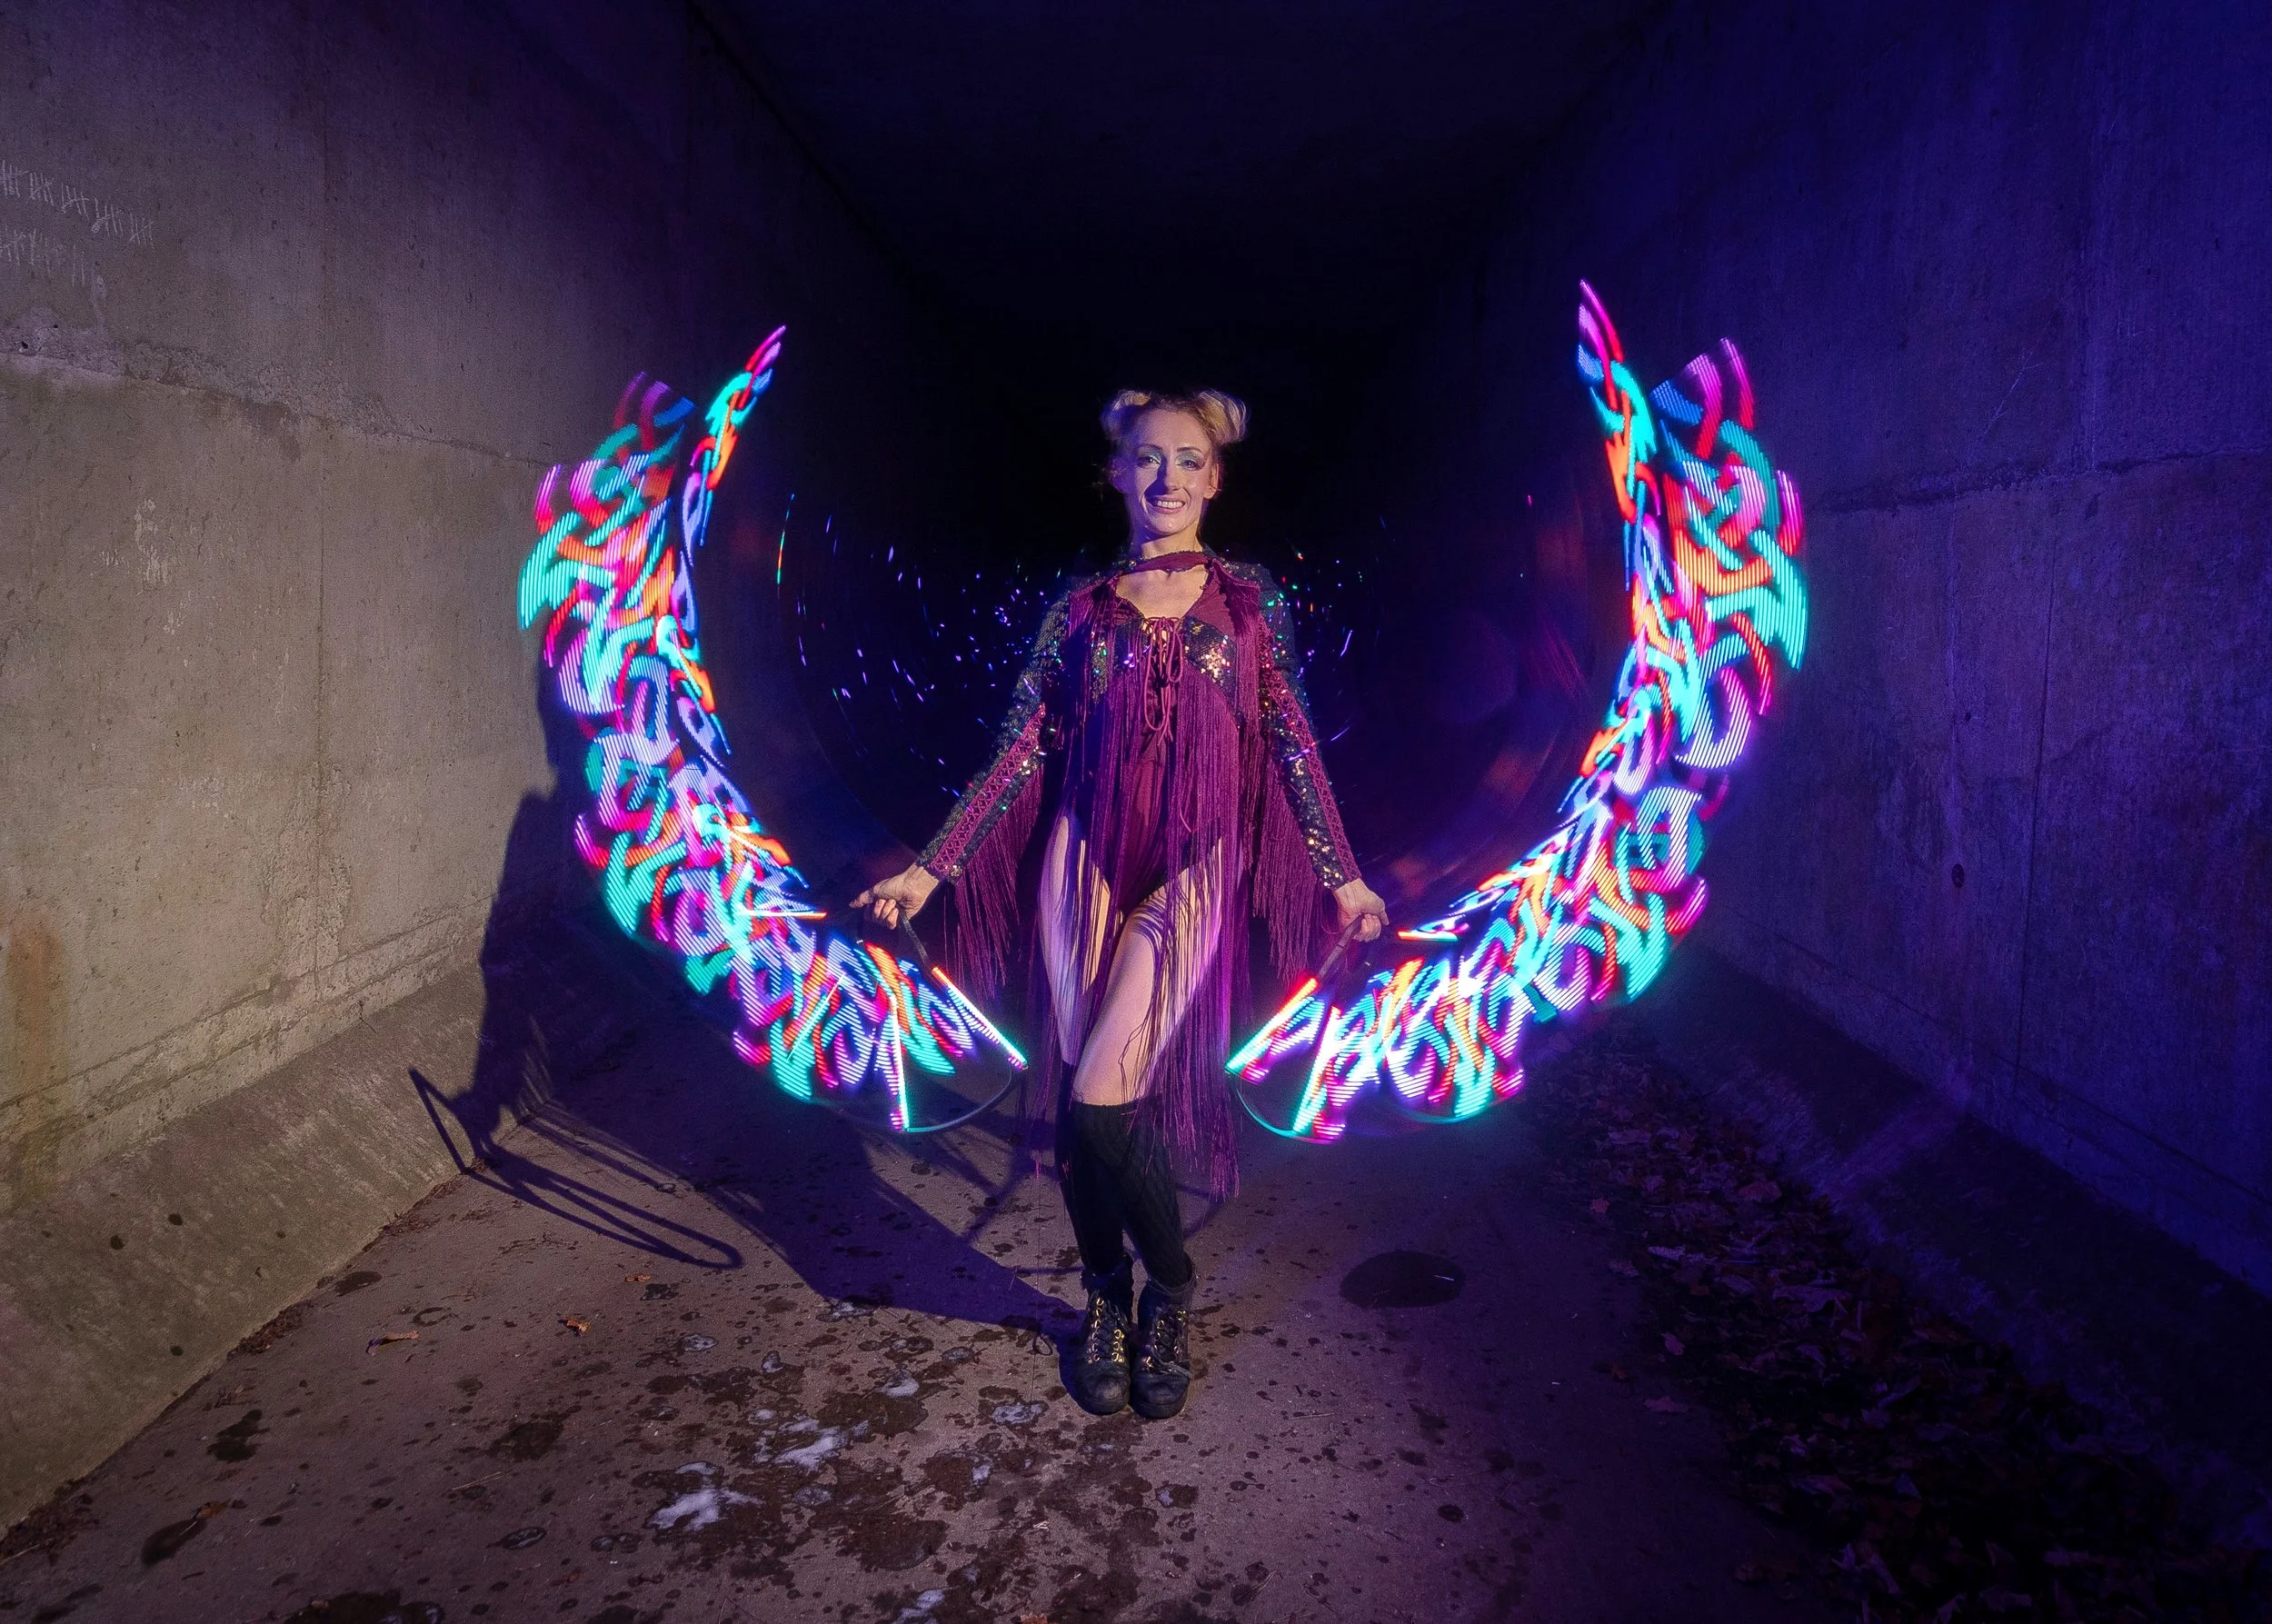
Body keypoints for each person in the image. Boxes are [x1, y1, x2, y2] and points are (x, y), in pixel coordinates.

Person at [853, 390, 1386, 1419]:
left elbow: (1291, 738)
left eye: (1187, 459)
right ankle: (1105, 1293)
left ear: (1214, 478)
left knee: (1106, 1090)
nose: (1166, 477)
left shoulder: (1250, 602)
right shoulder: (1081, 609)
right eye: (1147, 458)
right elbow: (1022, 746)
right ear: (1116, 473)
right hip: (1085, 855)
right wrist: (932, 868)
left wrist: (1342, 873)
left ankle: (1168, 1289)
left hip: (1196, 862)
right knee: (1080, 1095)